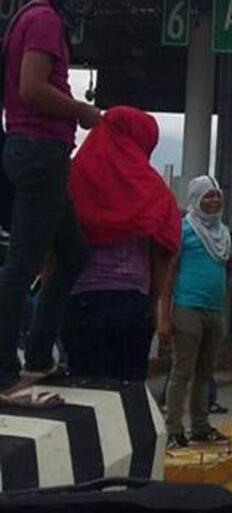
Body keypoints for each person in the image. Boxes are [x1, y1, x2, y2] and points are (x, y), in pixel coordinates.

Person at [0, 0, 103, 400]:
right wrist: (79, 109)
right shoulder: (43, 20)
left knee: (73, 253)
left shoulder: (33, 16)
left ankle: (38, 356)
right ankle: (6, 368)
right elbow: (31, 88)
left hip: (40, 152)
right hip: (40, 148)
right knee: (22, 264)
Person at [61, 107, 180, 382]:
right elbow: (163, 252)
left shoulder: (72, 176)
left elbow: (52, 243)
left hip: (79, 301)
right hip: (132, 301)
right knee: (129, 401)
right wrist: (150, 301)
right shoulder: (152, 188)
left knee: (88, 398)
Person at [160, 176, 232, 449]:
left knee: (205, 371)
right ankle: (174, 428)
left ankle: (200, 426)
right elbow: (169, 272)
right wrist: (164, 314)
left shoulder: (222, 233)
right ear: (195, 199)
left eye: (216, 196)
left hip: (215, 309)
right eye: (207, 196)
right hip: (188, 306)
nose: (213, 201)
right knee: (182, 370)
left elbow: (228, 269)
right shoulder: (184, 229)